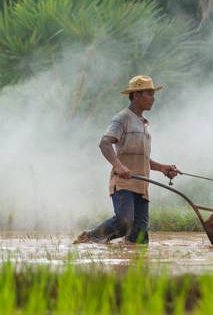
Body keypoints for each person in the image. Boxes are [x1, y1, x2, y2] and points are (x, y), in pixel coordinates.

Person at [74, 75, 181, 244]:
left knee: (139, 237)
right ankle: (89, 238)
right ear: (136, 95)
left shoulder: (144, 123)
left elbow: (143, 159)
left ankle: (129, 258)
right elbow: (104, 143)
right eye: (149, 94)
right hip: (124, 183)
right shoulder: (122, 118)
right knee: (124, 222)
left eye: (153, 94)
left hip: (141, 184)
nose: (153, 99)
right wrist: (118, 166)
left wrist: (162, 168)